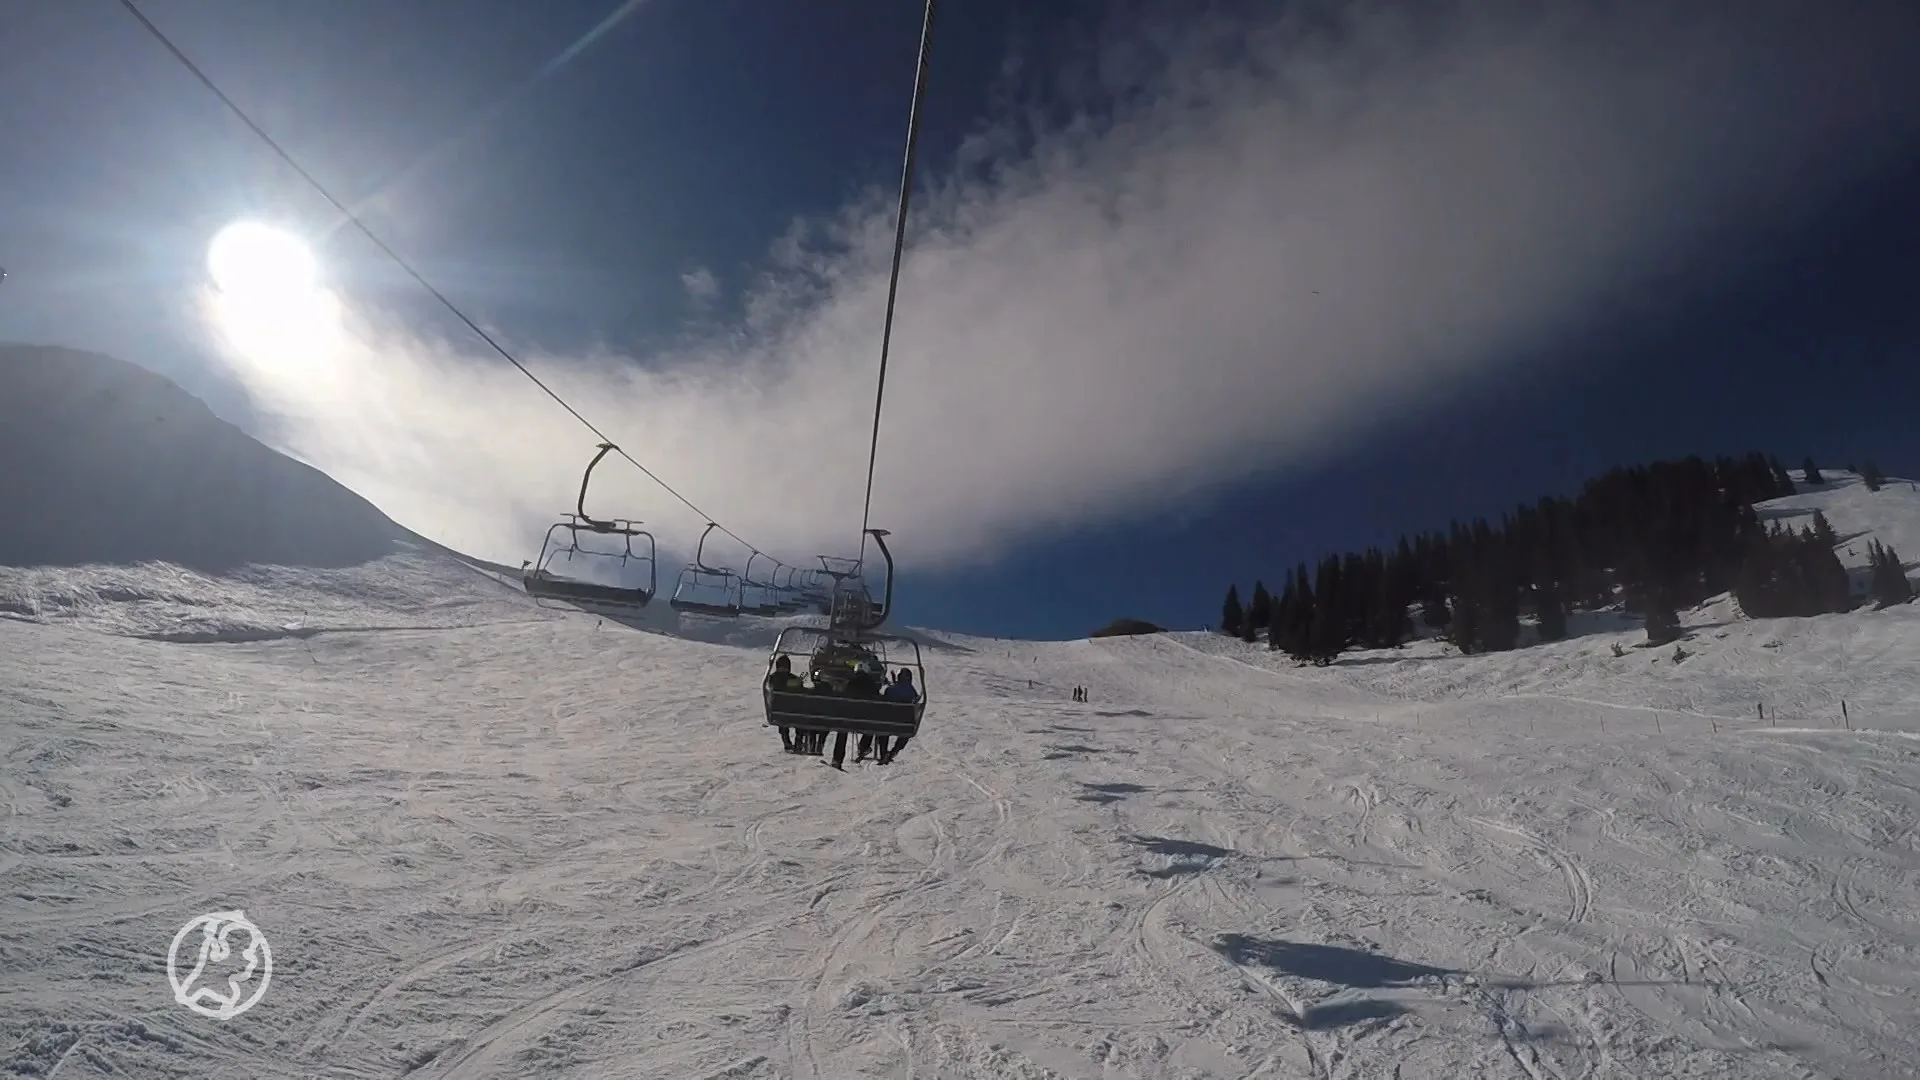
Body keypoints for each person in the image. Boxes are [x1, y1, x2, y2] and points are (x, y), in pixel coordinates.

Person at [768, 656, 804, 752]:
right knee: (799, 717)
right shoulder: (776, 678)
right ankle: (795, 741)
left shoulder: (773, 678)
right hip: (785, 710)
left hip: (781, 711)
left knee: (790, 719)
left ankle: (793, 741)